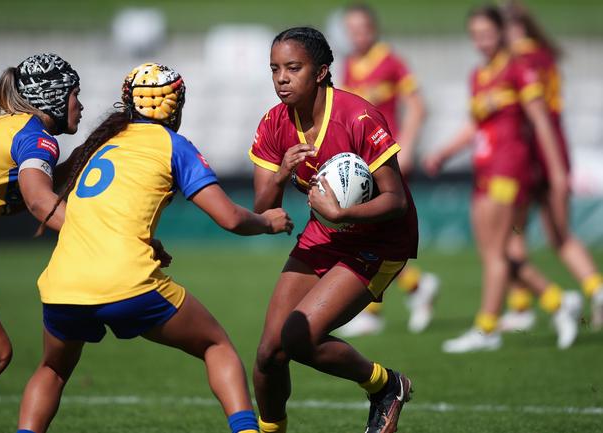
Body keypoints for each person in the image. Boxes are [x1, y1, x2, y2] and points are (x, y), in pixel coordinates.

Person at [14, 63, 292, 433]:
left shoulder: (99, 142)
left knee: (52, 369)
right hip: (128, 283)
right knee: (216, 346)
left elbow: (89, 204)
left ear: (128, 101)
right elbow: (230, 218)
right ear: (175, 105)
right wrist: (269, 222)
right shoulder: (174, 146)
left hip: (64, 284)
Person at [249, 27, 416, 433]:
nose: (282, 78)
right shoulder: (274, 124)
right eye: (275, 69)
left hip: (379, 241)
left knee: (298, 338)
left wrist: (341, 214)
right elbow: (263, 209)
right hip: (324, 236)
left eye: (293, 68)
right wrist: (282, 173)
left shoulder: (357, 117)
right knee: (269, 355)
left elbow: (396, 200)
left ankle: (385, 385)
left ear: (321, 71)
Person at [424, 5, 582, 353]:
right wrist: (445, 152)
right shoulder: (479, 75)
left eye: (487, 34)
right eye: (476, 36)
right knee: (494, 254)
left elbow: (541, 121)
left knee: (496, 254)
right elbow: (476, 125)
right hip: (483, 168)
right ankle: (559, 302)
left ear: (501, 32)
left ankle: (487, 328)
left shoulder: (519, 69)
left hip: (510, 169)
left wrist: (556, 172)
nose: (482, 42)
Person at [0, 53, 82, 420]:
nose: (81, 104)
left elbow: (30, 192)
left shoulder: (11, 128)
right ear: (55, 96)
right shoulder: (36, 138)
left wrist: (84, 156)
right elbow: (41, 203)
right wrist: (107, 235)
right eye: (75, 93)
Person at [497, 0, 603, 332]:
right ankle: (597, 290)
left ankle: (530, 304)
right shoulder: (546, 56)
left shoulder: (517, 63)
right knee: (560, 235)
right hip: (557, 150)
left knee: (507, 238)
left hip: (529, 156)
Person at [338, 2, 439, 336]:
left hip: (386, 158)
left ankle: (373, 309)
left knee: (372, 232)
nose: (357, 35)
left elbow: (419, 106)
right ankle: (414, 287)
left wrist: (407, 145)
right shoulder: (351, 64)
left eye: (362, 28)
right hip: (362, 161)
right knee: (369, 234)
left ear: (374, 28)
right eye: (351, 30)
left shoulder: (391, 62)